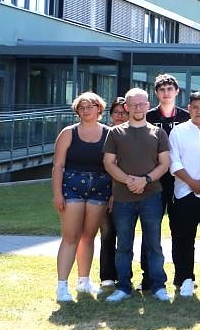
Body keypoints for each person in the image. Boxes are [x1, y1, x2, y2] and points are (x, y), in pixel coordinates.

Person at [102, 88, 171, 302]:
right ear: (127, 107)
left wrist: (145, 180)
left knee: (153, 244)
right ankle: (123, 287)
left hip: (152, 196)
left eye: (142, 104)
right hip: (123, 198)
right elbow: (108, 163)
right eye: (133, 105)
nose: (138, 108)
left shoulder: (158, 133)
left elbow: (165, 163)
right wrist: (129, 181)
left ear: (148, 105)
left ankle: (158, 286)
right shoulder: (115, 133)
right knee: (124, 245)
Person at [53, 92, 111, 302]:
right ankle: (62, 286)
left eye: (90, 106)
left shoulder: (109, 133)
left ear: (99, 109)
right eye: (81, 107)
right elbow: (58, 165)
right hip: (72, 186)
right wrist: (57, 194)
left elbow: (113, 165)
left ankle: (84, 281)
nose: (86, 110)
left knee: (88, 236)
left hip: (100, 187)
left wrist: (113, 194)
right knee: (70, 236)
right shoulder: (69, 133)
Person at [167, 92, 200, 299]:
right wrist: (192, 182)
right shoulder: (178, 131)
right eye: (195, 107)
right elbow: (174, 161)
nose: (199, 111)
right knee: (183, 238)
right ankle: (185, 278)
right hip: (184, 192)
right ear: (189, 108)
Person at [146, 74, 189, 221]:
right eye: (162, 89)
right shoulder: (148, 117)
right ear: (156, 92)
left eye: (170, 89)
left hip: (179, 174)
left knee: (178, 220)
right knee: (152, 220)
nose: (166, 93)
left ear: (177, 91)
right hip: (155, 174)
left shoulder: (186, 117)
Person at [97, 97, 130, 288]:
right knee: (108, 234)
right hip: (104, 190)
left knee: (125, 236)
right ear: (110, 115)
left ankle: (125, 276)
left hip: (125, 191)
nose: (120, 116)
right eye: (116, 112)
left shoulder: (132, 135)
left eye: (124, 113)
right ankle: (107, 275)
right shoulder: (104, 134)